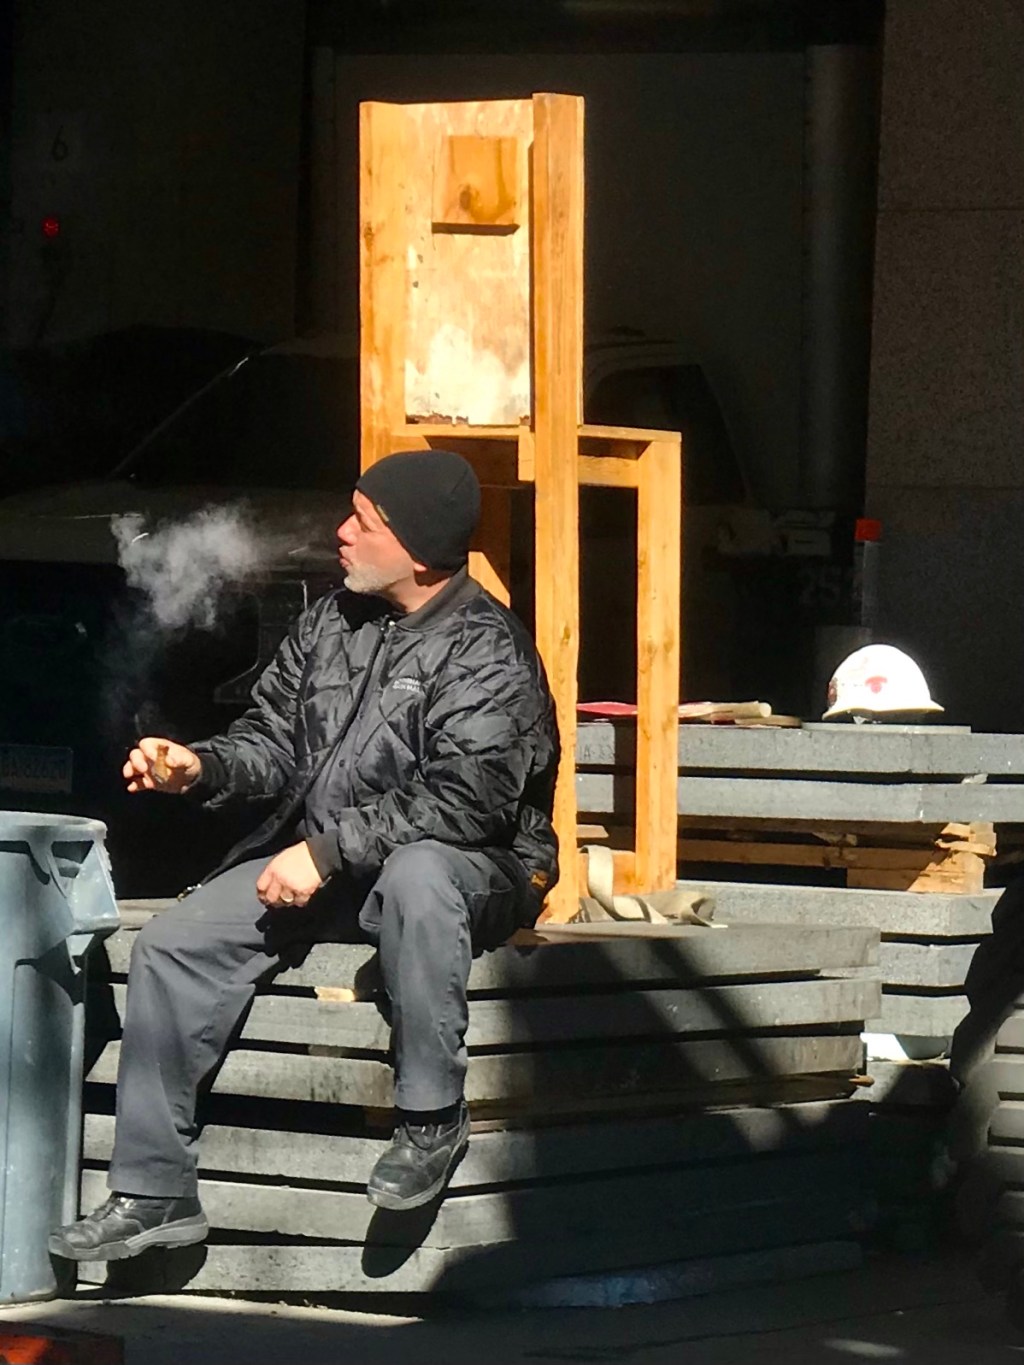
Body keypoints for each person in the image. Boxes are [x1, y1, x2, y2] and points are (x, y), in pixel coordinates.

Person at [50, 448, 560, 1262]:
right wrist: (201, 767)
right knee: (173, 944)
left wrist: (323, 852)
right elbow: (275, 740)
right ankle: (154, 1190)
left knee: (420, 872)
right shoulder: (332, 621)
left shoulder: (487, 650)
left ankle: (431, 1118)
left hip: (473, 867)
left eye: (364, 519)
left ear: (420, 545)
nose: (342, 532)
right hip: (331, 864)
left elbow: (469, 802)